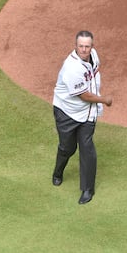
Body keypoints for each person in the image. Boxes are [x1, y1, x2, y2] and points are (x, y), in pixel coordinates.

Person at [52, 31, 113, 205]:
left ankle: (88, 189)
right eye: (81, 46)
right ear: (75, 46)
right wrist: (103, 99)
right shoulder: (72, 68)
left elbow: (95, 72)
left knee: (87, 148)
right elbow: (84, 96)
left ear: (92, 47)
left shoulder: (93, 55)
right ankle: (57, 171)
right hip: (67, 112)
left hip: (87, 113)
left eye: (87, 46)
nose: (84, 50)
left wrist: (96, 97)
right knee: (67, 147)